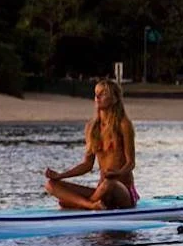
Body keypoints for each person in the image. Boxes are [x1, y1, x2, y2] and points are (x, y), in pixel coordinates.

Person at [44, 78, 137, 210]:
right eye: (96, 94)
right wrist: (60, 175)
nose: (97, 97)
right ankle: (91, 205)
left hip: (123, 191)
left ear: (115, 99)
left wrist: (116, 173)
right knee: (50, 185)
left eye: (103, 94)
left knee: (109, 184)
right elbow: (87, 165)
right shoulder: (91, 127)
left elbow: (131, 163)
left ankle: (79, 204)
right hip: (102, 189)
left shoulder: (123, 124)